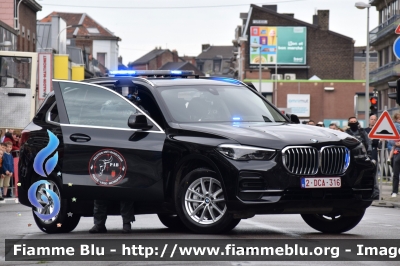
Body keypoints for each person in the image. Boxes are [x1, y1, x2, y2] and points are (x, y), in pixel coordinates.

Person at [387, 112, 400, 198]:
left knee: (395, 173)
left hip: (396, 151)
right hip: (397, 152)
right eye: (398, 119)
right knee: (396, 173)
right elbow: (391, 140)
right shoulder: (395, 126)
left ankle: (395, 191)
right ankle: (394, 191)